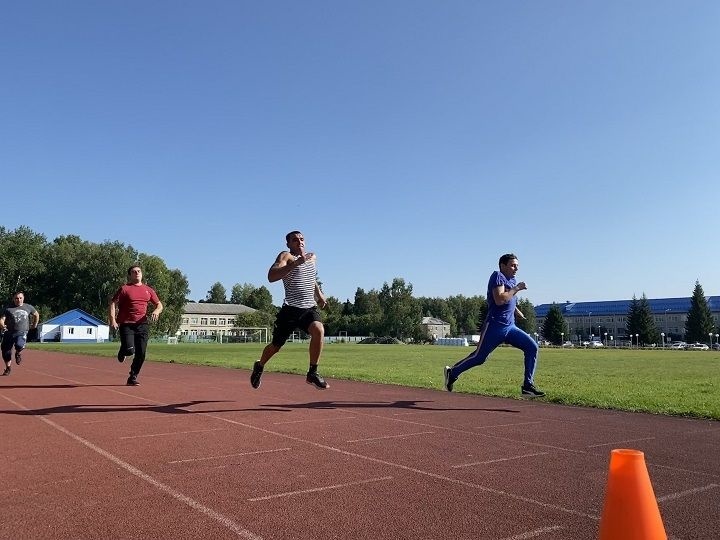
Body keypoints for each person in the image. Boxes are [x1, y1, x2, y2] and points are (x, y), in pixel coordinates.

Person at [443, 253, 545, 398]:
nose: (516, 268)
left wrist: (516, 310)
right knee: (479, 358)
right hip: (495, 327)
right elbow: (499, 299)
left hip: (510, 327)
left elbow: (508, 298)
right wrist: (517, 288)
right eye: (512, 265)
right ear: (503, 265)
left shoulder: (511, 279)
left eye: (517, 266)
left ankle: (528, 386)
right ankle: (452, 372)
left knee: (532, 347)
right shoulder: (497, 276)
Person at [250, 230, 329, 390]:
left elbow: (311, 278)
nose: (299, 242)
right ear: (288, 244)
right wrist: (295, 264)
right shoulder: (286, 256)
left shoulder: (312, 258)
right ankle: (259, 365)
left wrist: (319, 294)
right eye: (294, 240)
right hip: (290, 310)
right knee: (275, 347)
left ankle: (312, 372)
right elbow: (271, 276)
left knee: (319, 330)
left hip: (309, 308)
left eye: (301, 239)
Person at [109, 265, 163, 386]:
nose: (137, 273)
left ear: (142, 274)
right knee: (129, 351)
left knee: (141, 353)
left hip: (142, 324)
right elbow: (112, 302)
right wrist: (113, 320)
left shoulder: (148, 290)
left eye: (139, 271)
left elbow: (159, 305)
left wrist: (156, 311)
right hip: (127, 323)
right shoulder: (124, 289)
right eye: (134, 272)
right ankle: (123, 351)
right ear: (130, 275)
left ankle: (133, 376)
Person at [0, 292, 40, 376]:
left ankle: (18, 353)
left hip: (22, 331)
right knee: (6, 352)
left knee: (19, 344)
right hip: (9, 332)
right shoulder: (8, 308)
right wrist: (3, 325)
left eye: (20, 298)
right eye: (17, 298)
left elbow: (36, 314)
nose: (19, 300)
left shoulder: (28, 307)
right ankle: (8, 368)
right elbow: (2, 319)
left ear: (23, 298)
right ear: (13, 299)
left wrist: (34, 324)